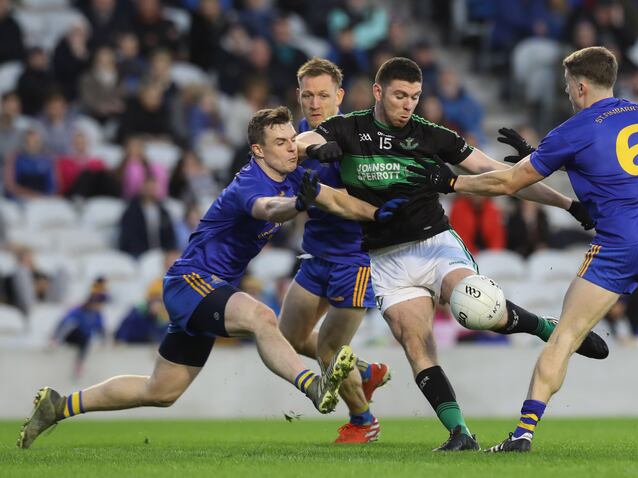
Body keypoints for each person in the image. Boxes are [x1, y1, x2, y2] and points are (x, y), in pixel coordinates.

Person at [409, 46, 638, 451]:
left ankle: (523, 433)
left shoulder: (573, 129)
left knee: (565, 334)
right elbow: (612, 164)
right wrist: (537, 156)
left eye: (567, 87)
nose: (567, 94)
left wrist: (451, 182)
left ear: (580, 86)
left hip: (621, 244)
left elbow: (509, 184)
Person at [18, 106, 407, 449]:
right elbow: (268, 208)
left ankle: (59, 405)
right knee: (262, 318)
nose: (292, 147)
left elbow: (312, 164)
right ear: (258, 150)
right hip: (190, 282)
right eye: (281, 142)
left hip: (206, 291)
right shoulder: (250, 184)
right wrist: (298, 203)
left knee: (162, 391)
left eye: (292, 139)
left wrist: (328, 161)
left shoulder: (291, 170)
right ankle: (314, 385)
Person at [296, 57, 608, 451]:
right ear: (378, 92)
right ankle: (460, 433)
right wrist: (316, 149)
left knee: (477, 310)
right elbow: (303, 140)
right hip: (386, 259)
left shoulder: (431, 136)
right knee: (416, 344)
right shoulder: (348, 129)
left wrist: (566, 204)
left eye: (414, 96)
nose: (408, 104)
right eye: (399, 96)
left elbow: (502, 176)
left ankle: (546, 328)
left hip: (435, 245)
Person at [278, 58, 389, 444]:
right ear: (298, 96)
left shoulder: (357, 136)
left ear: (339, 96)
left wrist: (320, 195)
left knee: (328, 349)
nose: (314, 102)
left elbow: (360, 201)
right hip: (316, 255)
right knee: (288, 336)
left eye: (323, 94)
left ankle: (363, 421)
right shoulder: (295, 142)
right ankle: (364, 370)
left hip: (354, 257)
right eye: (307, 94)